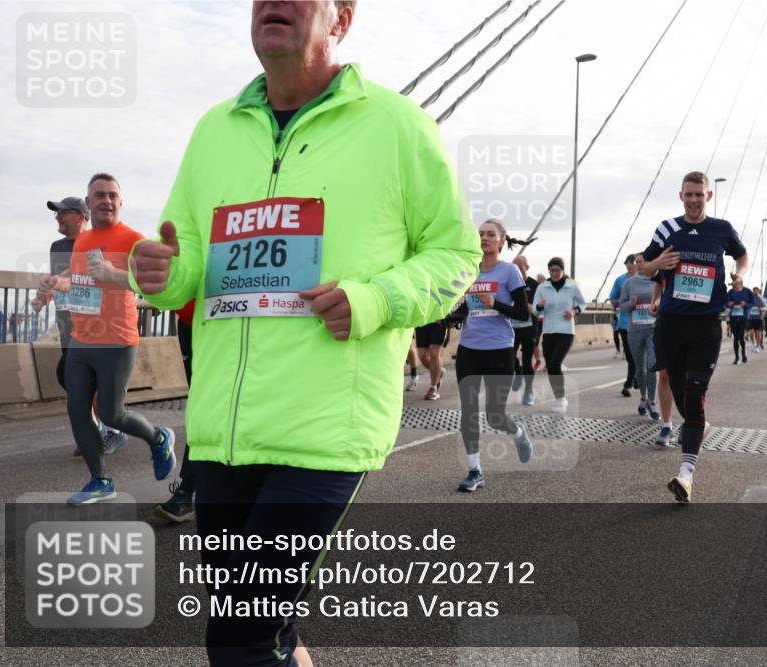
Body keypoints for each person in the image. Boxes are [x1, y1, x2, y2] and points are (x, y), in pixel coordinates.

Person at [129, 3, 481, 664]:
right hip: (223, 431)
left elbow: (456, 255)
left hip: (325, 430)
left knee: (240, 637)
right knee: (267, 630)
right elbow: (188, 265)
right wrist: (157, 270)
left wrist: (376, 298)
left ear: (340, 18)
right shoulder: (214, 130)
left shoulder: (399, 126)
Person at [37, 174, 176, 505]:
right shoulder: (83, 242)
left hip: (117, 339)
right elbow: (78, 281)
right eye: (99, 195)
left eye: (112, 195)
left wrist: (115, 275)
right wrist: (55, 282)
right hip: (82, 339)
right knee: (77, 408)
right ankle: (100, 480)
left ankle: (158, 437)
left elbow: (150, 285)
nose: (106, 200)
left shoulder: (132, 239)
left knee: (113, 414)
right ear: (88, 203)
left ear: (120, 202)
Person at [643, 171, 749, 503]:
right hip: (671, 324)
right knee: (679, 393)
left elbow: (742, 254)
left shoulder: (722, 229)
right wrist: (659, 262)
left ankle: (686, 474)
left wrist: (739, 275)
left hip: (706, 326)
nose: (693, 200)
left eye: (699, 195)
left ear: (708, 197)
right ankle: (695, 427)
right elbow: (644, 266)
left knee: (695, 393)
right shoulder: (666, 228)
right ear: (680, 196)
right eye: (688, 195)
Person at [32, 196, 126, 457]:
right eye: (57, 213)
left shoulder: (95, 245)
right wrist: (43, 297)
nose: (58, 217)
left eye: (63, 212)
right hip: (65, 323)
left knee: (82, 379)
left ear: (82, 216)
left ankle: (111, 431)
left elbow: (102, 282)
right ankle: (94, 431)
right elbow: (57, 281)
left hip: (92, 325)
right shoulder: (57, 247)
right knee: (72, 379)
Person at [453, 220, 532, 492]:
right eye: (480, 234)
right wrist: (452, 311)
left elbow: (523, 313)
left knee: (494, 415)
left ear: (501, 241)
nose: (484, 238)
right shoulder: (468, 272)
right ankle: (475, 470)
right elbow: (466, 312)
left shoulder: (509, 272)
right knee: (469, 411)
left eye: (490, 234)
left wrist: (495, 303)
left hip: (499, 348)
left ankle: (518, 433)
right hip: (469, 349)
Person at [155, 299, 197, 523]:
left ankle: (187, 489)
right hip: (191, 322)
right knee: (202, 403)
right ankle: (187, 492)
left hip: (231, 320)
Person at [533, 257, 586, 413]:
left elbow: (582, 303)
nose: (554, 273)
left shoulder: (572, 286)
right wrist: (539, 306)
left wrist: (574, 311)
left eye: (557, 270)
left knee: (555, 363)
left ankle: (561, 399)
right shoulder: (543, 287)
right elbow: (535, 312)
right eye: (552, 270)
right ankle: (558, 398)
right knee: (551, 367)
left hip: (566, 331)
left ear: (563, 270)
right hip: (549, 331)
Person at [618, 253, 660, 419]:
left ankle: (652, 400)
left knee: (652, 365)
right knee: (640, 369)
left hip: (653, 328)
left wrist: (656, 306)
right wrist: (631, 304)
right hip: (635, 331)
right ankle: (643, 396)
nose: (639, 265)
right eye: (637, 262)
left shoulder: (656, 281)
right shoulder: (629, 283)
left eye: (642, 261)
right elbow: (622, 306)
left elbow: (663, 301)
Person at [510, 254, 539, 405]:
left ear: (527, 268)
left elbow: (542, 308)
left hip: (529, 328)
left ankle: (528, 391)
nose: (517, 271)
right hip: (512, 328)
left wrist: (532, 308)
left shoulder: (534, 285)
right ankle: (517, 371)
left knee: (527, 361)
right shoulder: (509, 283)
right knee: (509, 357)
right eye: (514, 268)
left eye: (520, 268)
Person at [609, 254, 638, 396]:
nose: (629, 265)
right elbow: (613, 299)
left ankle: (630, 382)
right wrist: (622, 303)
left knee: (639, 355)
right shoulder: (620, 280)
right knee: (630, 356)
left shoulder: (646, 279)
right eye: (627, 263)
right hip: (624, 323)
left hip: (642, 323)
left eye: (632, 262)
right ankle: (632, 381)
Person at [414, 319, 446, 400]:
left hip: (438, 321)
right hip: (422, 320)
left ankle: (433, 388)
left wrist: (444, 314)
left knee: (434, 352)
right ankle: (439, 371)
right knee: (422, 356)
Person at [727, 276, 752, 364]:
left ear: (741, 282)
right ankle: (736, 357)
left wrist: (745, 305)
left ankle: (743, 353)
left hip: (743, 317)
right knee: (735, 338)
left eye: (738, 282)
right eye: (735, 282)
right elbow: (725, 303)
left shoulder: (747, 291)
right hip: (733, 317)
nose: (736, 283)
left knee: (741, 336)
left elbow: (752, 303)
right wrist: (729, 304)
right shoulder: (730, 292)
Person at [748, 286, 765, 352]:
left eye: (756, 291)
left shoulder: (761, 299)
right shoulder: (750, 298)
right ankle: (753, 344)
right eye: (754, 291)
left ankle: (758, 346)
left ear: (759, 291)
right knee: (751, 332)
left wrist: (761, 309)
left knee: (758, 333)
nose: (755, 292)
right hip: (751, 318)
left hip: (759, 318)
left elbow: (766, 307)